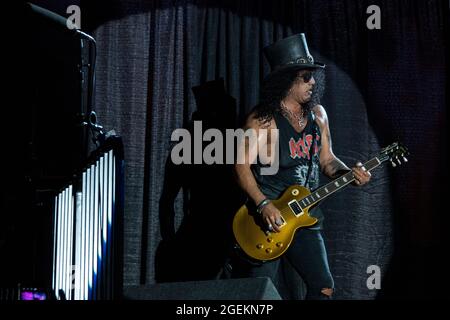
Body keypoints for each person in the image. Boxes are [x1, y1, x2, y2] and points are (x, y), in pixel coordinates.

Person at [231, 33, 372, 299]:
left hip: (306, 217)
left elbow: (328, 160)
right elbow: (240, 166)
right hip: (267, 220)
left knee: (324, 287)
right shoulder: (262, 120)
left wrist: (349, 175)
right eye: (305, 77)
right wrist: (263, 204)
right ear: (287, 80)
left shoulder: (318, 114)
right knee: (256, 295)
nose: (312, 82)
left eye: (313, 75)